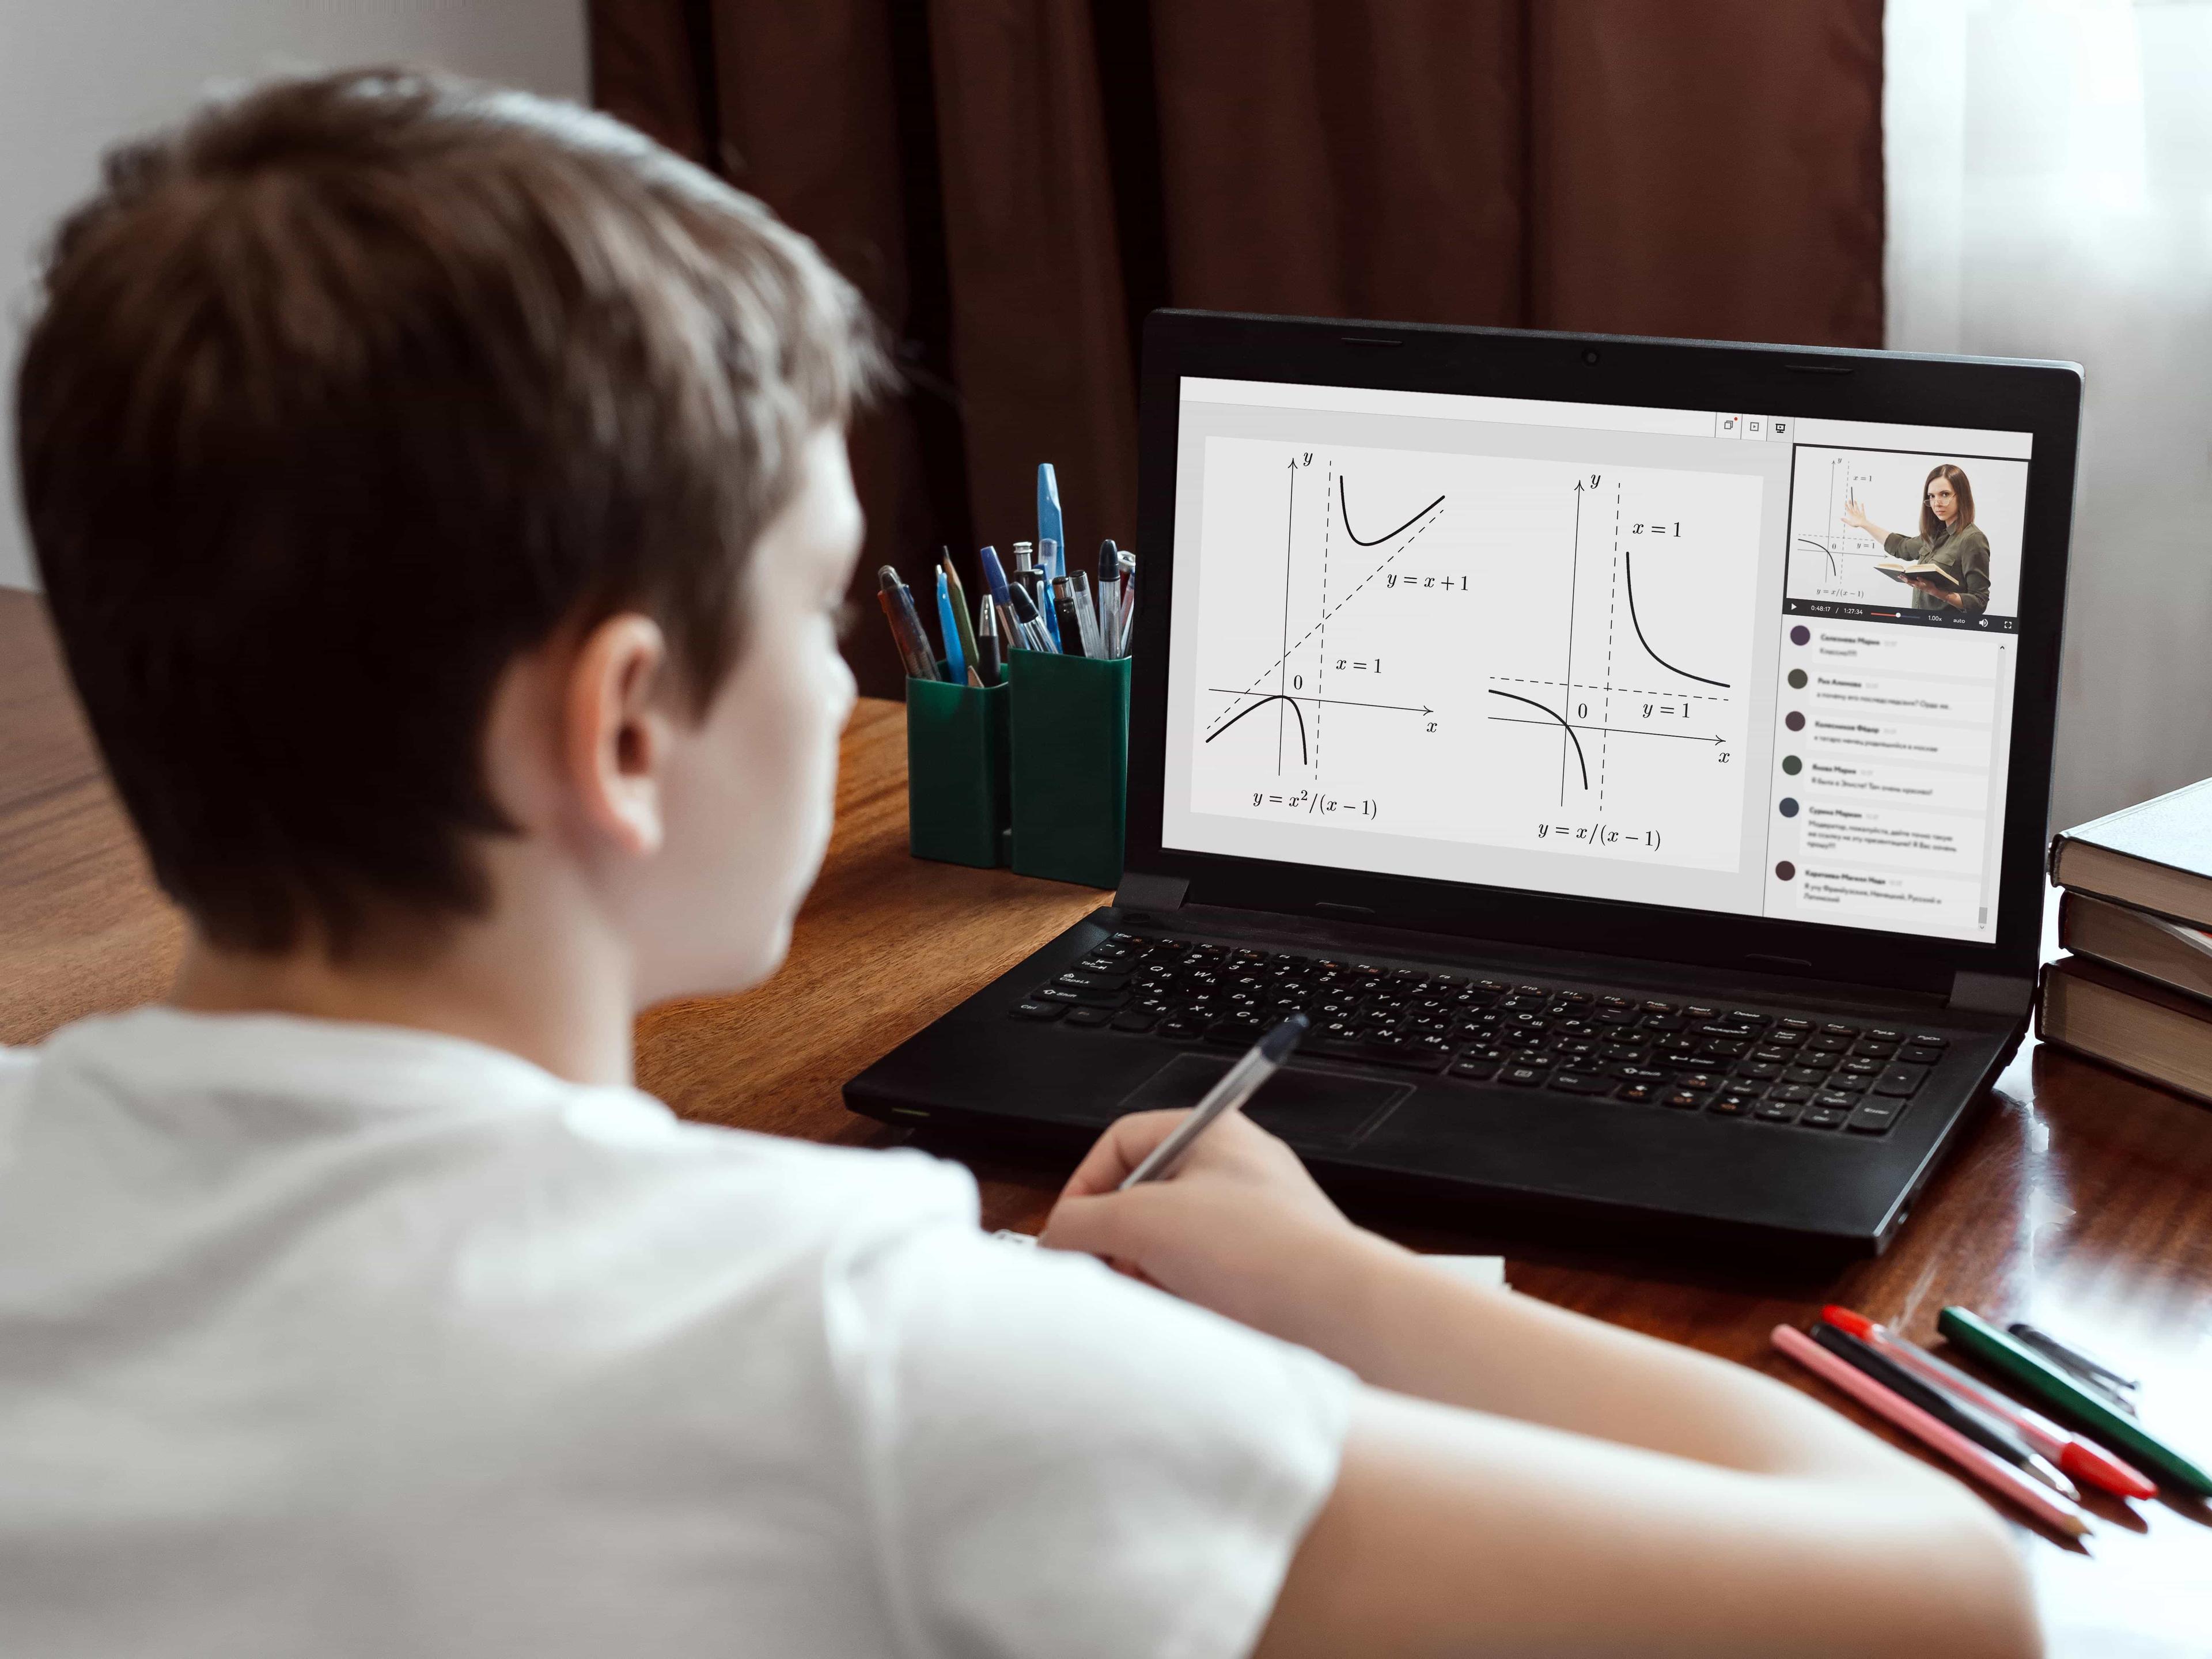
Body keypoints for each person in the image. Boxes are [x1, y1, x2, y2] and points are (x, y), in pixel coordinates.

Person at [0, 71, 2039, 1659]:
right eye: (816, 611)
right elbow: (1942, 1602)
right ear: (623, 732)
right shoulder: (876, 1365)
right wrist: (1340, 1283)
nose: (842, 680)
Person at [1842, 464, 1992, 615]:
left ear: (1962, 496)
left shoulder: (1973, 539)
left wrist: (1936, 592)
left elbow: (1979, 603)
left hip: (1946, 627)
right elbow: (1901, 547)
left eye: (1945, 494)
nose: (1937, 503)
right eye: (1932, 496)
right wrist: (1865, 524)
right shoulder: (1934, 535)